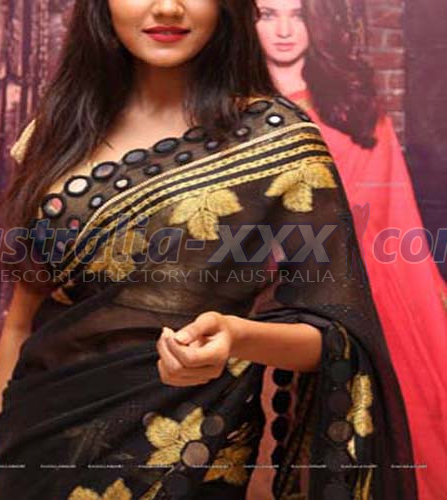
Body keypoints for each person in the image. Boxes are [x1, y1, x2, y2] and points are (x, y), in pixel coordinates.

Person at [0, 1, 417, 499]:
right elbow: (21, 322)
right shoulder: (59, 133)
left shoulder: (277, 141)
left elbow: (335, 336)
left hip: (184, 454)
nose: (167, 8)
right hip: (37, 448)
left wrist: (238, 336)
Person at [250, 1, 447, 499]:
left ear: (317, 23)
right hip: (260, 293)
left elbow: (391, 211)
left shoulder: (351, 105)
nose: (285, 30)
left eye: (298, 15)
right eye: (268, 14)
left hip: (365, 282)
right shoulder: (231, 107)